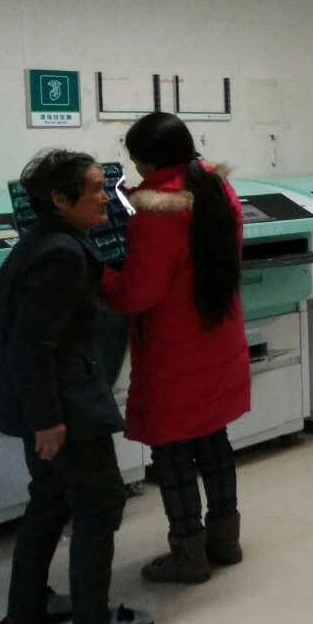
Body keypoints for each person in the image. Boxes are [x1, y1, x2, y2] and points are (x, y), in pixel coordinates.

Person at [0, 150, 154, 624]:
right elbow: (33, 345)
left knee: (50, 500)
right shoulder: (62, 255)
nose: (105, 197)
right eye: (94, 189)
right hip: (65, 408)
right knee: (99, 504)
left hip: (37, 403)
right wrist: (48, 420)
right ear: (61, 200)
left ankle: (26, 611)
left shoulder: (41, 241)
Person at [102, 112, 250, 585]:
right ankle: (225, 540)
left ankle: (188, 553)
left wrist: (102, 276)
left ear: (149, 160)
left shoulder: (156, 211)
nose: (135, 169)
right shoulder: (218, 189)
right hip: (217, 336)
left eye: (136, 160)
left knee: (172, 452)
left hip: (173, 348)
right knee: (213, 440)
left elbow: (138, 293)